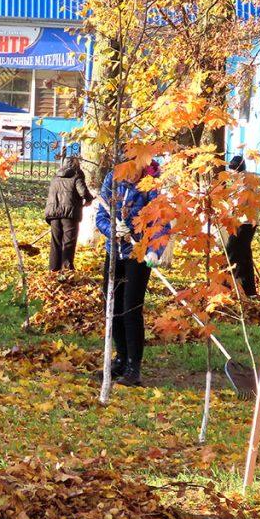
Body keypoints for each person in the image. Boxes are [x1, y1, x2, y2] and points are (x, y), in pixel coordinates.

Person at [95, 161, 166, 387]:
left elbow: (161, 223)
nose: (129, 174)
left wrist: (155, 251)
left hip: (140, 254)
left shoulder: (151, 186)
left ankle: (134, 366)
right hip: (114, 252)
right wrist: (113, 230)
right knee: (112, 305)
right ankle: (121, 358)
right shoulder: (112, 180)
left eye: (134, 168)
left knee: (130, 308)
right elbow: (101, 216)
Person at [44, 155, 94, 271]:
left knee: (56, 242)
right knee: (68, 242)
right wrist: (89, 199)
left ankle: (53, 270)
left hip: (53, 213)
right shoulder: (77, 177)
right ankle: (66, 270)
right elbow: (83, 192)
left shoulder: (55, 178)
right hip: (69, 215)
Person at [225, 155, 258, 297]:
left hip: (243, 223)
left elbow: (239, 204)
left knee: (230, 254)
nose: (230, 172)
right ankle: (249, 290)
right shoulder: (247, 179)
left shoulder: (243, 182)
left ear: (237, 169)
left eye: (232, 169)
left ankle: (225, 286)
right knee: (244, 256)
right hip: (249, 223)